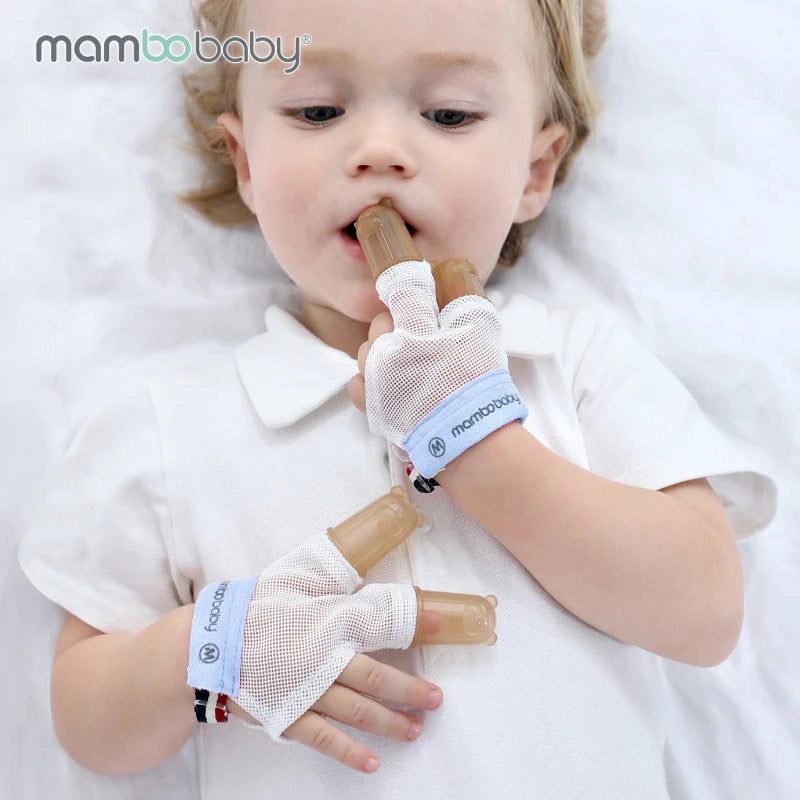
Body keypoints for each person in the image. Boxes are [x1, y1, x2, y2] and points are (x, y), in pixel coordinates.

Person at [17, 0, 778, 797]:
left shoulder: (570, 361)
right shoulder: (175, 423)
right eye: (317, 109)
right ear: (244, 163)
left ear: (535, 171)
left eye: (449, 113)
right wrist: (213, 645)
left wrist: (481, 446)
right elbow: (87, 725)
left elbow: (704, 613)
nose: (380, 151)